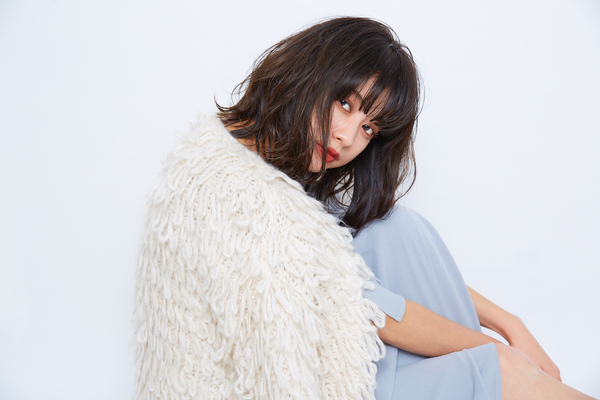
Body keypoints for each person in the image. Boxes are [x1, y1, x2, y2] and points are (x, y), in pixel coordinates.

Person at [132, 17, 595, 400]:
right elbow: (373, 312)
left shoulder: (263, 171)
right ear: (309, 73)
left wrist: (509, 323)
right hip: (296, 387)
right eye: (344, 102)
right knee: (502, 372)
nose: (347, 137)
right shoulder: (238, 196)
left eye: (369, 128)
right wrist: (500, 355)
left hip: (335, 358)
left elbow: (353, 283)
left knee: (388, 225)